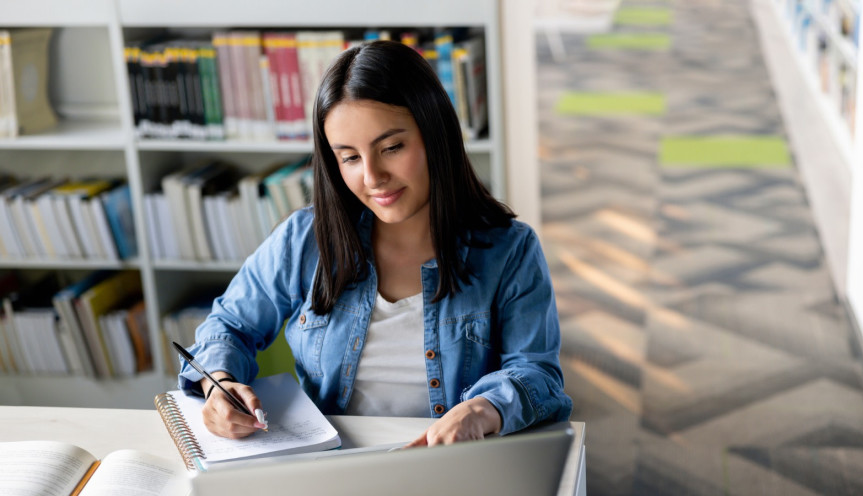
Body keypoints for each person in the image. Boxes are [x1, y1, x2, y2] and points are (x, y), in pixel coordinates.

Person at [178, 40, 572, 446]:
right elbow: (228, 325)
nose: (372, 177)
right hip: (334, 470)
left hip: (454, 468)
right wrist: (219, 385)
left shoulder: (510, 250)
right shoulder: (305, 240)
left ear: (435, 136)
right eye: (349, 157)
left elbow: (536, 372)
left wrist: (482, 410)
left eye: (391, 148)